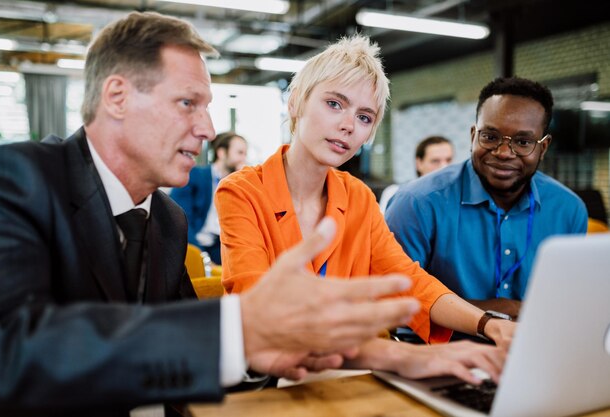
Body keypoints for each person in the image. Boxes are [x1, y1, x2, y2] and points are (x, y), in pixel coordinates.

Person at [0, 12, 427, 416]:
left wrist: (253, 356)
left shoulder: (166, 221)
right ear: (117, 97)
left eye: (208, 107)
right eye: (187, 103)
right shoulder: (17, 179)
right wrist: (239, 331)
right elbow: (4, 354)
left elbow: (190, 357)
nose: (208, 129)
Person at [216, 35, 512, 385]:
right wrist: (405, 356)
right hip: (267, 380)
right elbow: (262, 314)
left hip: (344, 373)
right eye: (334, 104)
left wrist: (489, 324)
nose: (349, 125)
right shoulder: (241, 191)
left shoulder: (357, 196)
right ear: (295, 102)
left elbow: (409, 280)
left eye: (365, 117)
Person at [386, 76, 588, 320]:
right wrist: (506, 310)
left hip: (533, 349)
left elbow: (567, 302)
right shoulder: (417, 203)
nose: (503, 153)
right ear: (473, 136)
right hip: (437, 351)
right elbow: (395, 302)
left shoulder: (568, 210)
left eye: (523, 142)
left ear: (543, 148)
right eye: (490, 137)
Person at [171, 131, 248, 264]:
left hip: (219, 246)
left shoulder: (238, 184)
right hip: (194, 245)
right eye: (240, 153)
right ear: (222, 153)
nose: (244, 159)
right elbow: (180, 221)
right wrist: (202, 257)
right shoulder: (194, 176)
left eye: (245, 154)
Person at [379, 135, 454, 213]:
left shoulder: (457, 196)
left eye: (448, 160)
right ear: (419, 163)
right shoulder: (395, 193)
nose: (444, 167)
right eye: (435, 161)